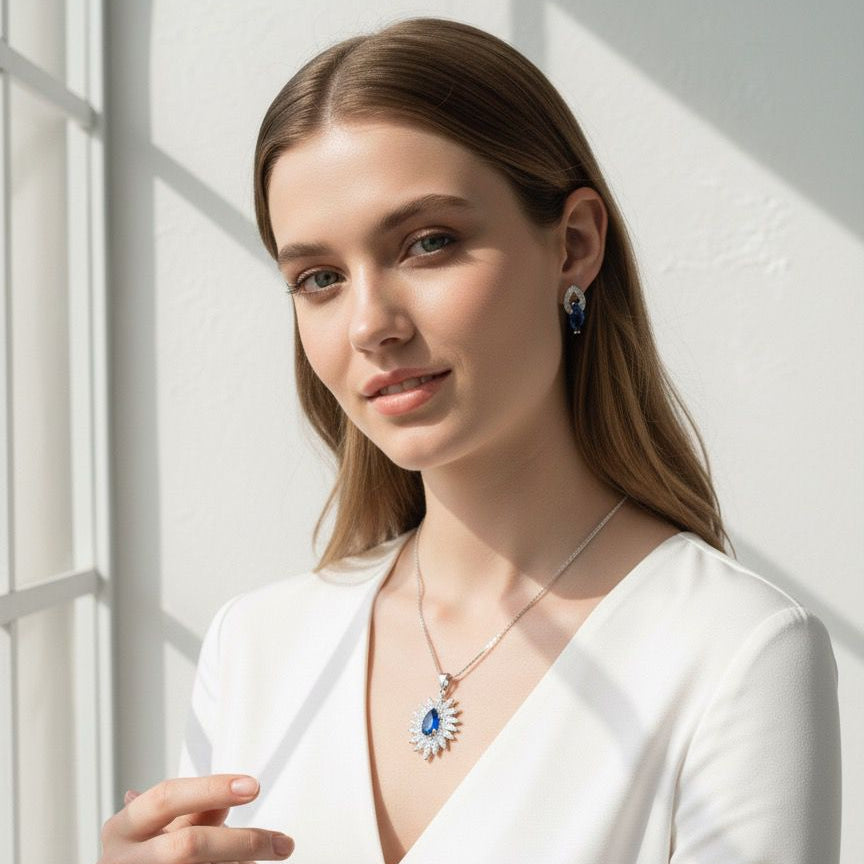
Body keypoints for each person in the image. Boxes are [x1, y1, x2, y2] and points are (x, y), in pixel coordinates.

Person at [98, 16, 842, 864]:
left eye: (428, 243)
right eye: (321, 279)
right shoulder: (256, 648)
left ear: (574, 244)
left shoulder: (735, 653)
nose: (371, 324)